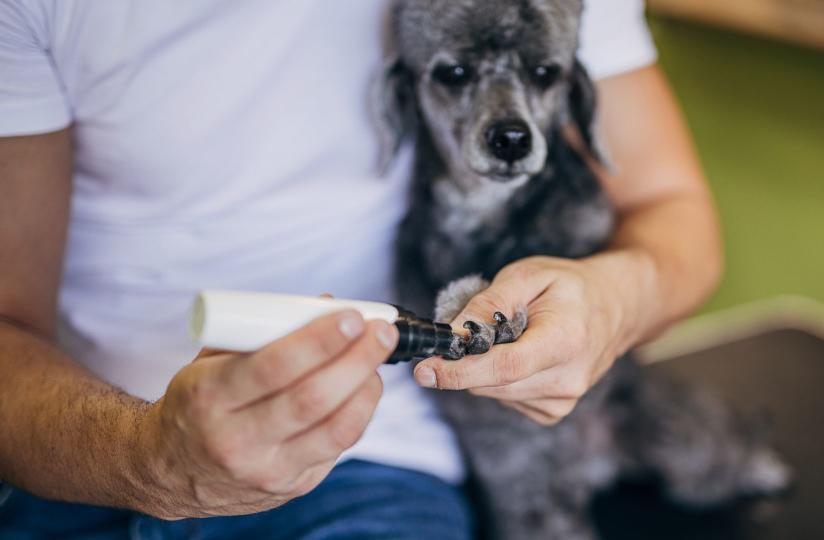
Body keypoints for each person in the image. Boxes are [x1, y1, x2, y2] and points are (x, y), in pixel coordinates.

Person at [0, 0, 722, 538]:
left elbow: (673, 209)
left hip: (376, 465)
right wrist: (149, 456)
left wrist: (612, 299)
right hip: (78, 457)